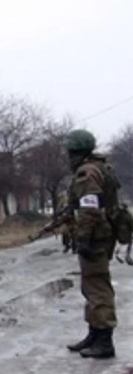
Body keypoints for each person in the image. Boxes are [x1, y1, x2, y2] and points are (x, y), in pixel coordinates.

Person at [63, 129, 119, 359]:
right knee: (90, 286)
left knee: (97, 287)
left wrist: (84, 237)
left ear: (77, 152)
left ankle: (104, 341)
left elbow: (89, 208)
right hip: (100, 235)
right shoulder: (99, 167)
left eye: (70, 152)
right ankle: (94, 333)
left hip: (95, 237)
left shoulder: (88, 172)